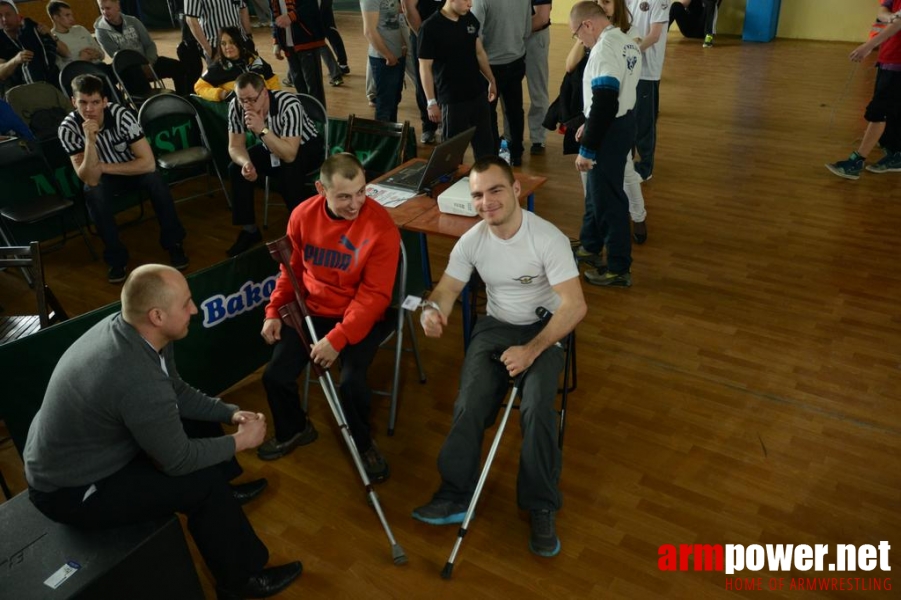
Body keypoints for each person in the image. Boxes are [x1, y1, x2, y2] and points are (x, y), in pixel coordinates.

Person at [22, 264, 303, 600]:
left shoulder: (137, 332)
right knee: (203, 486)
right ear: (156, 315)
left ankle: (227, 494)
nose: (194, 308)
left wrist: (230, 413)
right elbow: (178, 461)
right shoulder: (135, 376)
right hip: (70, 489)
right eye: (186, 303)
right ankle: (241, 581)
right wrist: (240, 441)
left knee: (197, 417)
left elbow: (175, 392)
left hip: (88, 447)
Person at [411, 156, 586, 558]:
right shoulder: (472, 240)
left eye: (495, 190)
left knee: (538, 408)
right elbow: (447, 289)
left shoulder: (548, 238)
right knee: (469, 402)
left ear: (515, 191)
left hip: (543, 329)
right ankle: (455, 493)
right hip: (496, 327)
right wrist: (433, 311)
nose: (486, 201)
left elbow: (574, 307)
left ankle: (541, 504)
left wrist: (531, 350)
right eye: (477, 194)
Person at [258, 153, 400, 484]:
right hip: (311, 311)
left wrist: (338, 338)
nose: (356, 204)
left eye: (362, 192)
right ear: (321, 189)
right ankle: (295, 430)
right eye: (345, 196)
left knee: (351, 384)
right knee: (275, 376)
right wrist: (274, 310)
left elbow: (375, 296)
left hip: (359, 316)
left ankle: (363, 444)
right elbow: (290, 271)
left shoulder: (380, 227)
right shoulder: (302, 216)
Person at [58, 74, 189, 283]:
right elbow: (90, 179)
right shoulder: (67, 129)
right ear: (74, 102)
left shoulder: (121, 116)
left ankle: (174, 244)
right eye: (82, 102)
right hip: (102, 178)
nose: (89, 109)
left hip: (131, 170)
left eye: (94, 102)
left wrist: (103, 167)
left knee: (155, 179)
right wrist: (90, 142)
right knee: (94, 193)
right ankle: (116, 258)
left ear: (105, 101)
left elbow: (147, 163)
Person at [573, 0, 641, 287]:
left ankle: (617, 268)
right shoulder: (626, 41)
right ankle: (589, 244)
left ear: (588, 24)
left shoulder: (602, 49)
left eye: (577, 34)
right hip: (623, 123)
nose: (580, 40)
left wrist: (588, 148)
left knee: (609, 199)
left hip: (609, 130)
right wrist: (588, 122)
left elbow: (604, 100)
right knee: (597, 192)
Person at [226, 72, 322, 256]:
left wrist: (262, 129)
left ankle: (303, 232)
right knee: (236, 168)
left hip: (304, 147)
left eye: (251, 100)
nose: (246, 105)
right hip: (271, 146)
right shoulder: (236, 106)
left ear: (264, 93)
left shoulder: (288, 104)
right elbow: (235, 146)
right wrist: (246, 163)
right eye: (241, 100)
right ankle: (250, 230)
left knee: (289, 171)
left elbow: (289, 154)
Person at [827, 1, 901, 179]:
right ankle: (897, 154)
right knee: (892, 111)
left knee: (879, 111)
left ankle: (856, 161)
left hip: (898, 62)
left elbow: (899, 23)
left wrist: (868, 46)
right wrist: (891, 16)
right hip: (889, 58)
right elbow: (883, 11)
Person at [418, 0, 497, 160]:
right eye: (466, 0)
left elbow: (479, 52)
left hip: (477, 94)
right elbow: (424, 67)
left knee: (486, 148)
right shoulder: (430, 27)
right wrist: (431, 102)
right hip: (452, 100)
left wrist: (491, 80)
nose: (470, 4)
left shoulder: (470, 19)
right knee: (452, 154)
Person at [471, 0, 530, 166]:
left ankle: (492, 154)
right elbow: (526, 30)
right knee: (514, 109)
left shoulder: (480, 1)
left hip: (490, 65)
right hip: (517, 59)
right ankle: (516, 153)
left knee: (487, 113)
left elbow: (475, 36)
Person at [94, 0, 191, 96]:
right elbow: (118, 55)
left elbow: (149, 44)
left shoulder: (133, 21)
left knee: (179, 68)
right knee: (135, 78)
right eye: (102, 8)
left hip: (147, 62)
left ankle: (184, 99)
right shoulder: (101, 30)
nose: (104, 12)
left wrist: (149, 63)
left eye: (108, 8)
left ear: (118, 6)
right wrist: (140, 67)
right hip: (128, 69)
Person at [626, 0, 668, 182]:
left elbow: (654, 35)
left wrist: (629, 51)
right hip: (627, 68)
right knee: (626, 117)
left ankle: (645, 167)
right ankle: (626, 163)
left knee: (644, 121)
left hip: (646, 71)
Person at [195, 26, 278, 101]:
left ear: (239, 42)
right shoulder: (218, 67)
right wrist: (220, 94)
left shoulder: (254, 59)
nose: (227, 47)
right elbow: (199, 86)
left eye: (232, 42)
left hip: (266, 105)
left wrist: (275, 97)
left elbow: (271, 78)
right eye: (223, 43)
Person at [270, 0, 328, 108]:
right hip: (288, 45)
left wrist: (291, 16)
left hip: (307, 40)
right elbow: (274, 16)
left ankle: (319, 119)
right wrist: (276, 42)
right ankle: (305, 116)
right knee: (299, 84)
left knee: (313, 85)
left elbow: (311, 6)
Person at [401, 0, 441, 144]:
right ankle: (428, 126)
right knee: (424, 78)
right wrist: (423, 36)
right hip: (422, 33)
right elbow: (408, 8)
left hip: (447, 33)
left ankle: (446, 121)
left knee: (447, 77)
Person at [0, 0, 61, 88]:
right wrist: (16, 60)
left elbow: (66, 53)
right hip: (20, 88)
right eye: (0, 16)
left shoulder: (33, 29)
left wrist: (50, 34)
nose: (4, 19)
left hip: (52, 79)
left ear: (18, 16)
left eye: (8, 14)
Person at [362, 0, 405, 123]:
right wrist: (388, 55)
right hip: (383, 59)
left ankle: (392, 139)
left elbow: (397, 20)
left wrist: (402, 45)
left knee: (394, 101)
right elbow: (369, 31)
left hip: (396, 56)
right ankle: (383, 141)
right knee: (385, 106)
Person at [184, 0, 253, 62]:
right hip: (216, 46)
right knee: (222, 75)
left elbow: (243, 9)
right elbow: (191, 20)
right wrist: (209, 50)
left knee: (249, 74)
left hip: (240, 42)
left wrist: (248, 37)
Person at [525, 0, 552, 155]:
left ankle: (537, 138)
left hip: (534, 37)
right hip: (512, 36)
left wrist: (514, 30)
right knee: (508, 89)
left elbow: (542, 17)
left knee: (537, 90)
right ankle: (509, 135)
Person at [47, 1, 107, 69]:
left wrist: (97, 54)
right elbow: (63, 69)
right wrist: (82, 60)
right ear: (56, 17)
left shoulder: (80, 29)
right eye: (67, 15)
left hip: (99, 66)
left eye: (71, 15)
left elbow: (102, 55)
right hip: (79, 73)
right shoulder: (53, 38)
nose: (72, 18)